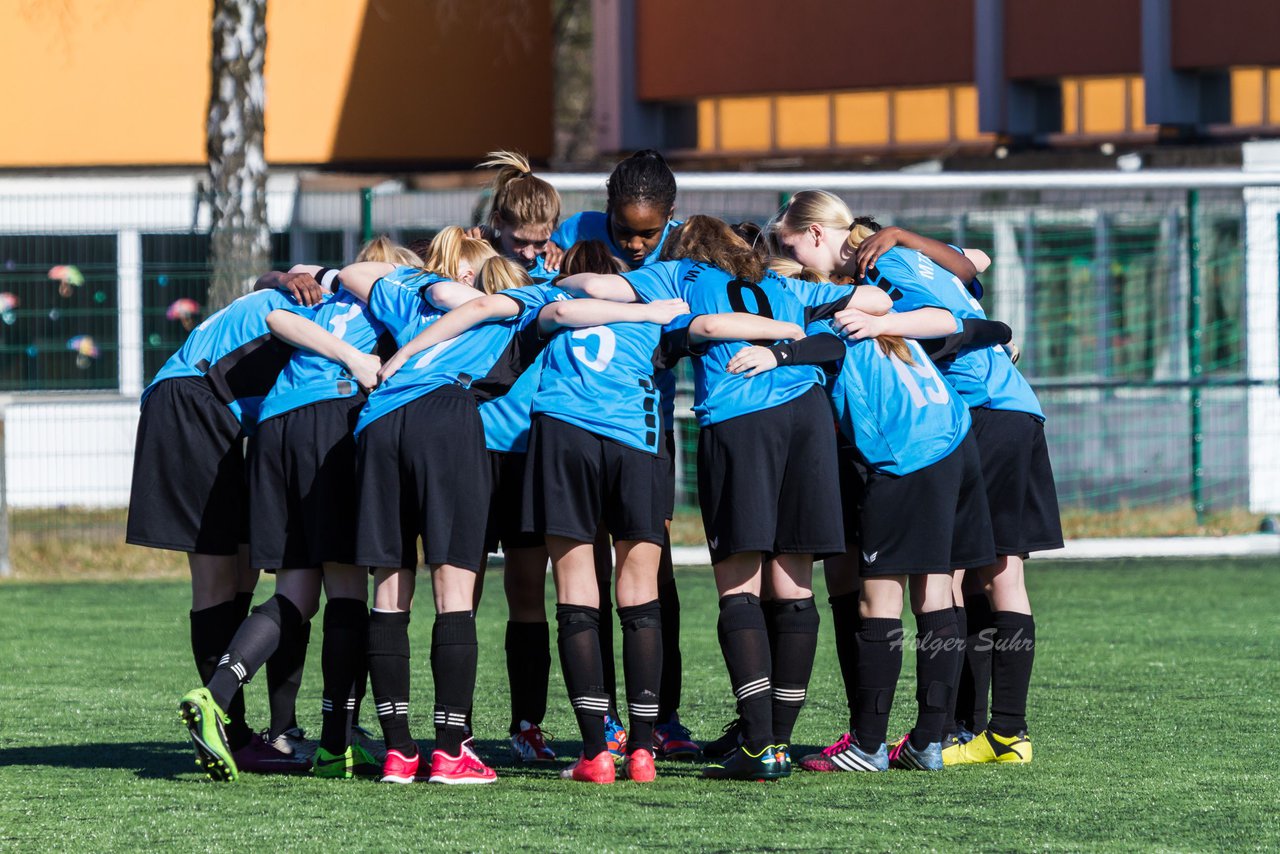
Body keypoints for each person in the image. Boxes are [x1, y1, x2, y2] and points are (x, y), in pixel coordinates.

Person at [553, 215, 891, 779]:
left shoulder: (680, 273)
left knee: (740, 586)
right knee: (793, 585)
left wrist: (572, 285)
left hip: (742, 419)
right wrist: (800, 336)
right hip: (806, 415)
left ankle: (758, 746)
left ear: (690, 251)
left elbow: (590, 286)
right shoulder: (784, 285)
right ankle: (776, 741)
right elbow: (876, 299)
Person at [772, 192, 1062, 765]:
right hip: (999, 411)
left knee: (940, 584)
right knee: (976, 579)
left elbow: (959, 320)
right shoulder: (909, 257)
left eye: (786, 244)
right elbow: (975, 261)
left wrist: (868, 316)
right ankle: (974, 731)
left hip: (964, 416)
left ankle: (931, 734)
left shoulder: (878, 271)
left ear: (815, 236)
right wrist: (904, 238)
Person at [176, 273, 386, 782]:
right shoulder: (395, 302)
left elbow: (271, 307)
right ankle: (338, 742)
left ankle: (217, 693)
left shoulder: (318, 303)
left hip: (272, 430)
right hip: (332, 419)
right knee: (346, 589)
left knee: (295, 592)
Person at [131, 269, 331, 780]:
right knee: (219, 578)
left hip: (214, 413)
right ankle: (232, 734)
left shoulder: (315, 299)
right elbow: (269, 294)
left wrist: (280, 275)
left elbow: (265, 283)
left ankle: (270, 730)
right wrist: (285, 277)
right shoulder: (321, 305)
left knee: (247, 574)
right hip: (191, 404)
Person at [552, 151, 699, 760]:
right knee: (586, 570)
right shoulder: (573, 235)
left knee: (649, 573)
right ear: (606, 212)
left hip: (646, 427)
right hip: (578, 422)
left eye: (649, 232)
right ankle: (604, 718)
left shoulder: (688, 252)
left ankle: (660, 718)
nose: (637, 244)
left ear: (671, 216)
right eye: (624, 230)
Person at [471, 150, 564, 280]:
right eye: (519, 241)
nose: (529, 255)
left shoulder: (557, 269)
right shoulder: (472, 267)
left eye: (540, 243)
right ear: (498, 221)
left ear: (554, 227)